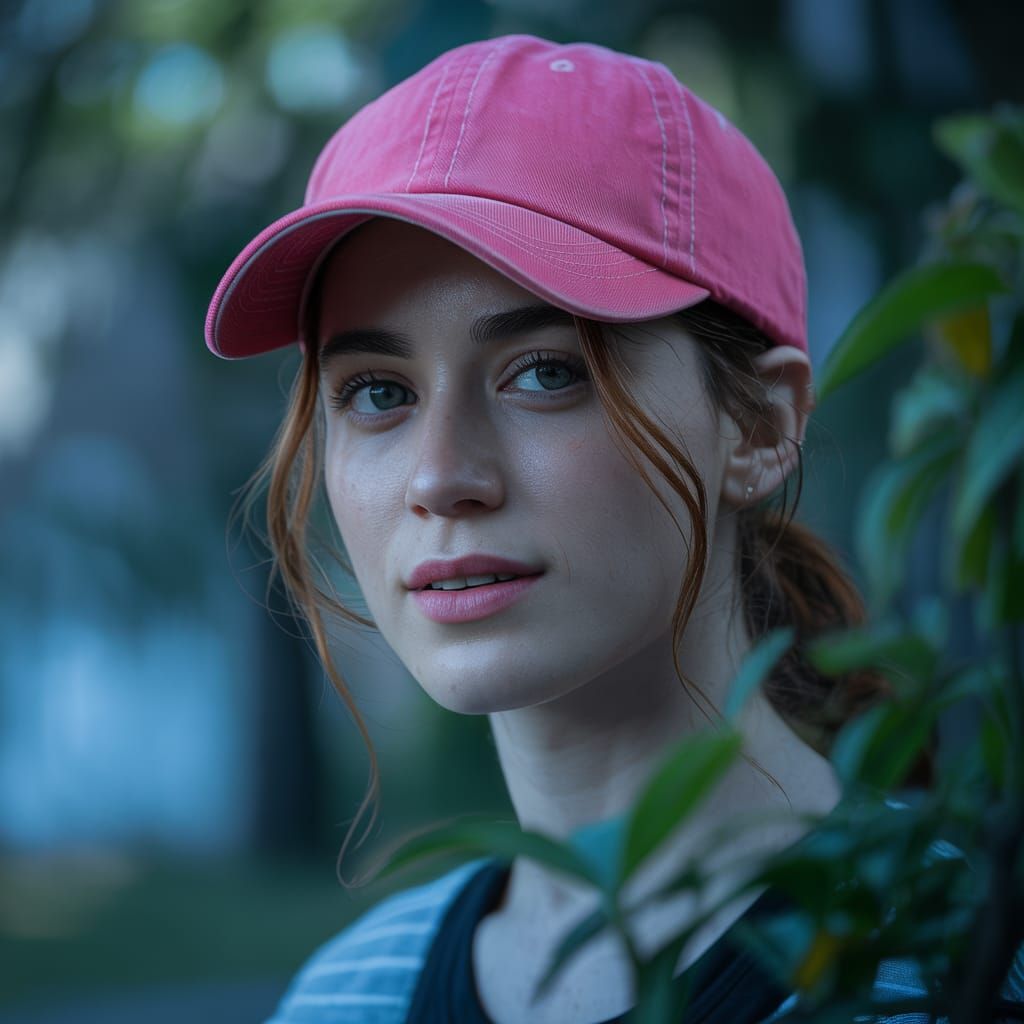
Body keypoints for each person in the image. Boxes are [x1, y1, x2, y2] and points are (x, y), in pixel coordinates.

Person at [205, 35, 1022, 1024]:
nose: (439, 476)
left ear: (759, 427)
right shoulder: (340, 1000)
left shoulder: (961, 956)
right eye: (378, 392)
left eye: (546, 371)